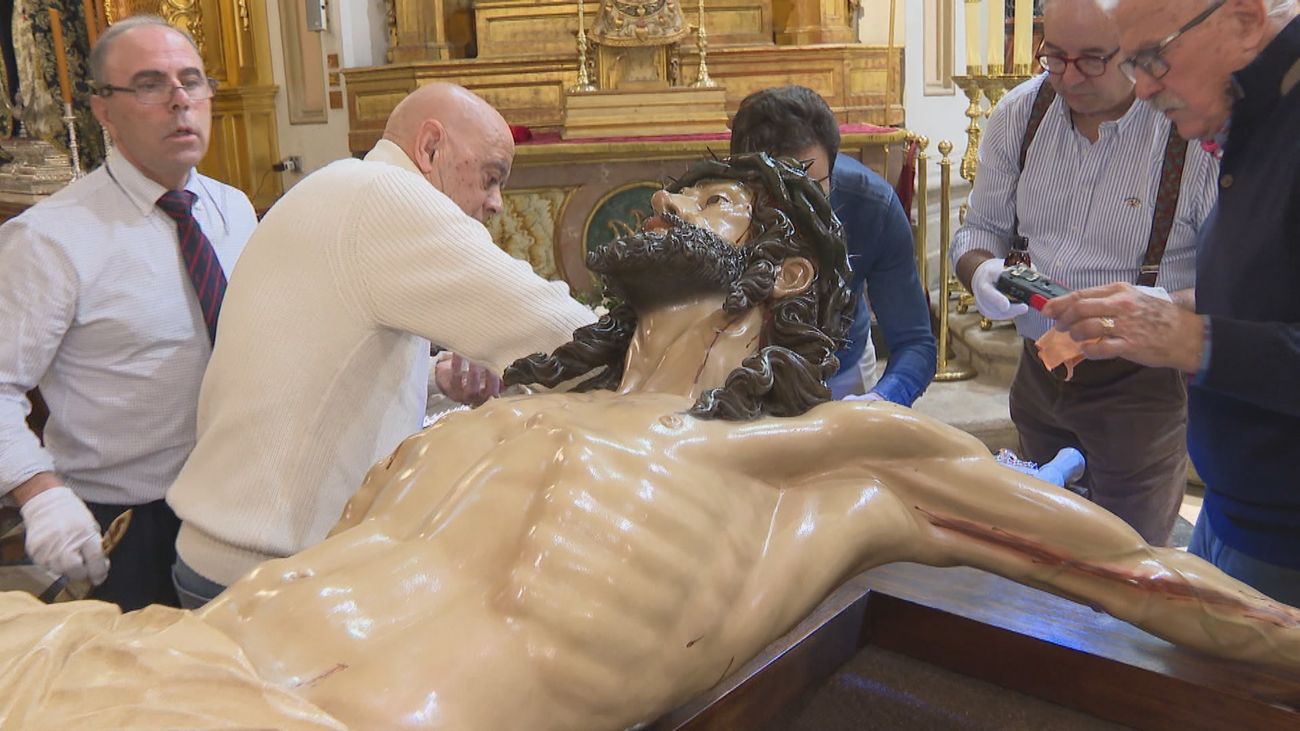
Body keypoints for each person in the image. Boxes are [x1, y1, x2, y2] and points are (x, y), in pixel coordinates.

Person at [3, 153, 1298, 731]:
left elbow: (1143, 574)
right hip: (141, 652)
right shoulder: (508, 410)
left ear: (779, 271)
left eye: (712, 198)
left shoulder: (829, 456)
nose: (669, 200)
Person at [166, 82, 598, 607]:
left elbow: (326, 364)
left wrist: (435, 381)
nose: (496, 203)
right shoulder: (386, 195)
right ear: (431, 147)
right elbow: (561, 333)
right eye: (490, 177)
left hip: (227, 556)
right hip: (269, 577)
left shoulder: (341, 187)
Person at [1044, 0, 1300, 604]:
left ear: (1242, 21)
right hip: (1233, 513)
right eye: (1133, 63)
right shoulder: (1255, 113)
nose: (1144, 86)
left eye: (1154, 58)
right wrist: (1167, 314)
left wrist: (1187, 337)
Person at [0, 16, 256, 610]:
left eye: (192, 81)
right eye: (149, 85)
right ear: (103, 111)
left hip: (243, 505)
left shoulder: (233, 209)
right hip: (132, 527)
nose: (179, 101)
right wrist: (40, 495)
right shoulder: (51, 239)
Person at [950, 0, 1219, 546]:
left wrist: (1163, 306)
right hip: (1037, 372)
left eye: (1093, 59)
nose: (1070, 77)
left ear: (1139, 47)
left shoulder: (1191, 129)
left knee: (1127, 559)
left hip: (1141, 386)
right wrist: (986, 274)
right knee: (1038, 545)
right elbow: (977, 235)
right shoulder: (1020, 115)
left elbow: (1238, 286)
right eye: (1056, 56)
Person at [730, 85, 936, 404]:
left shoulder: (873, 206)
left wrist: (883, 399)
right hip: (736, 370)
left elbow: (914, 342)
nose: (793, 207)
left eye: (812, 188)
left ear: (834, 169)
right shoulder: (712, 212)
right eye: (773, 189)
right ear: (740, 174)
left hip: (842, 373)